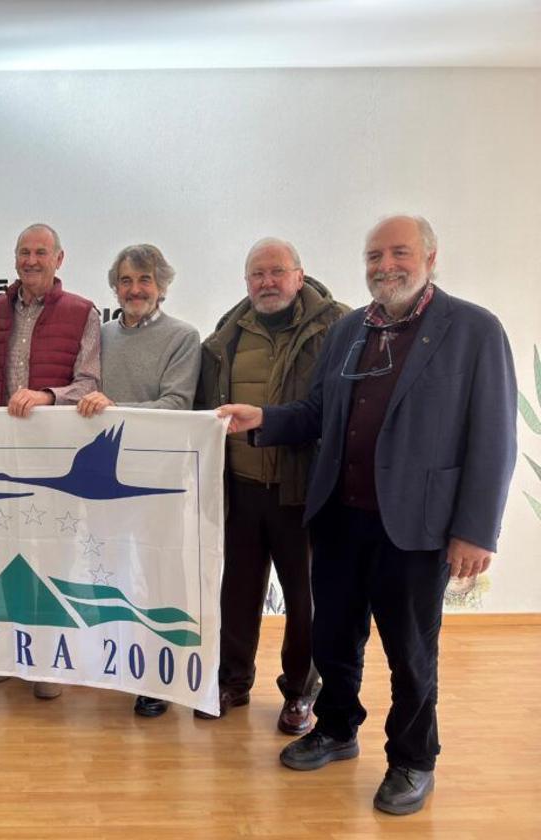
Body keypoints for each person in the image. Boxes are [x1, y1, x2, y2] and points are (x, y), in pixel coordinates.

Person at [218, 216, 516, 816]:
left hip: (417, 525)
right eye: (374, 255)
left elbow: (494, 436)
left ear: (431, 257)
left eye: (399, 252)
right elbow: (318, 410)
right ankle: (335, 729)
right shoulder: (351, 328)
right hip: (338, 515)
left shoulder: (473, 329)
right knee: (334, 636)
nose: (385, 265)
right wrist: (264, 420)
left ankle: (412, 759)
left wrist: (475, 530)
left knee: (409, 652)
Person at [194, 238, 348, 734]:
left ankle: (301, 692)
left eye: (277, 272)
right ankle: (232, 680)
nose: (267, 282)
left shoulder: (337, 327)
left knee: (305, 600)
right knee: (236, 592)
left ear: (300, 276)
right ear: (246, 281)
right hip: (239, 486)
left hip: (302, 489)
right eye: (257, 274)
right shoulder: (226, 334)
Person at [76, 243, 200, 717]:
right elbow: (82, 392)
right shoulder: (101, 335)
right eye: (126, 281)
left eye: (144, 280)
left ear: (162, 286)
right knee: (106, 572)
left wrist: (114, 410)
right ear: (115, 286)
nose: (135, 289)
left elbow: (177, 405)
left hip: (153, 480)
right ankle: (109, 662)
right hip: (101, 479)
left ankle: (156, 678)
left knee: (155, 579)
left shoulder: (182, 337)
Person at [0, 223, 100, 700]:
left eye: (40, 252)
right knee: (8, 550)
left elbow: (89, 382)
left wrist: (48, 396)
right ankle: (15, 651)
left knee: (53, 553)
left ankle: (50, 657)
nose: (31, 260)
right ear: (14, 258)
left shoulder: (82, 311)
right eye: (23, 252)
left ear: (59, 258)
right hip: (2, 452)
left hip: (55, 452)